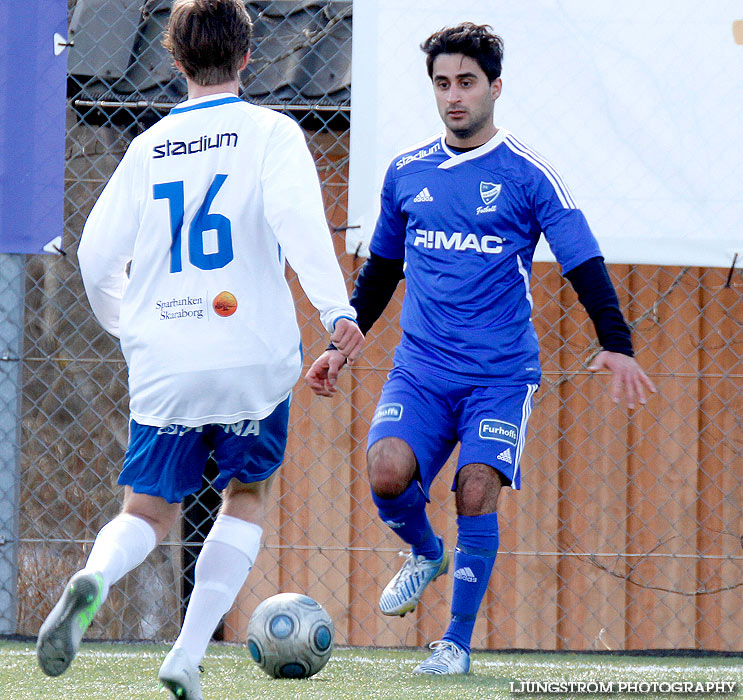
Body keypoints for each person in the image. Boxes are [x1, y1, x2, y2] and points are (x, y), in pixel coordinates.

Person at [306, 22, 655, 675]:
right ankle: (424, 551)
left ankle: (454, 644)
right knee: (385, 470)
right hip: (421, 370)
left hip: (498, 376)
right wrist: (339, 342)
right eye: (441, 84)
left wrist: (616, 343)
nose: (453, 96)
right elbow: (381, 270)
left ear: (495, 87)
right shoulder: (407, 173)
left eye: (466, 82)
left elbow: (582, 260)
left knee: (474, 489)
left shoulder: (527, 175)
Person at [35, 1, 363, 698]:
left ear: (173, 60)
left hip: (167, 357)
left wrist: (131, 327)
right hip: (251, 356)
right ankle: (186, 653)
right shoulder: (271, 132)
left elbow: (95, 257)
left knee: (148, 513)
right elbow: (300, 224)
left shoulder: (147, 146)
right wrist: (338, 311)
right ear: (249, 58)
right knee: (244, 494)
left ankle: (94, 575)